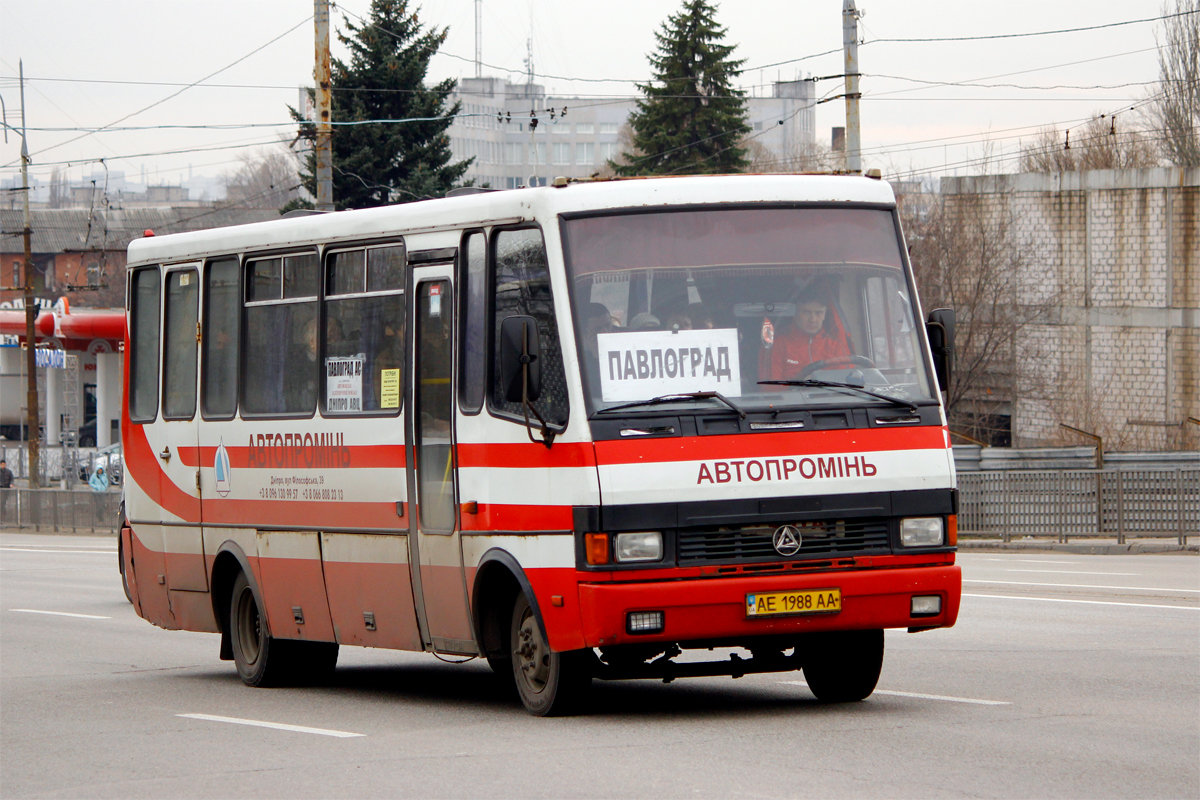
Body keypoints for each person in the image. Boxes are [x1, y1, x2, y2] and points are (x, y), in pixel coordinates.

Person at [759, 293, 853, 381]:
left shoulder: (835, 346)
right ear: (795, 314)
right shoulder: (777, 344)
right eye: (806, 312)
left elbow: (844, 384)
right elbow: (769, 388)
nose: (813, 319)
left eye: (818, 313)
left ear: (824, 315)